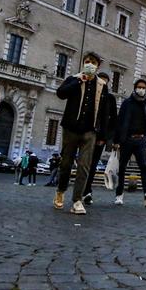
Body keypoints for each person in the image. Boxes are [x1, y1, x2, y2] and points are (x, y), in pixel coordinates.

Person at [54, 51, 108, 215]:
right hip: (71, 128)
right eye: (87, 61)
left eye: (93, 62)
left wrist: (102, 135)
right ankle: (60, 191)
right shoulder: (73, 79)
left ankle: (77, 200)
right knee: (66, 164)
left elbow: (104, 112)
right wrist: (79, 81)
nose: (90, 64)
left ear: (98, 66)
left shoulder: (102, 86)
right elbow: (61, 94)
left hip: (89, 131)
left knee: (84, 166)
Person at [113, 79, 146, 207]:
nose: (141, 89)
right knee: (122, 167)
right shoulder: (127, 103)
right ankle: (119, 194)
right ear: (135, 88)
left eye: (143, 87)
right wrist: (116, 141)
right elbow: (120, 122)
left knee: (144, 166)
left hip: (140, 140)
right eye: (139, 87)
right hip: (127, 139)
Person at [83, 72, 118, 204]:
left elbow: (113, 120)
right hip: (86, 134)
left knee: (92, 165)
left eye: (105, 82)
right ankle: (81, 190)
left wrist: (108, 138)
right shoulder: (90, 93)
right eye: (100, 81)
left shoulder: (110, 99)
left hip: (100, 137)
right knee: (84, 163)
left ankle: (87, 191)